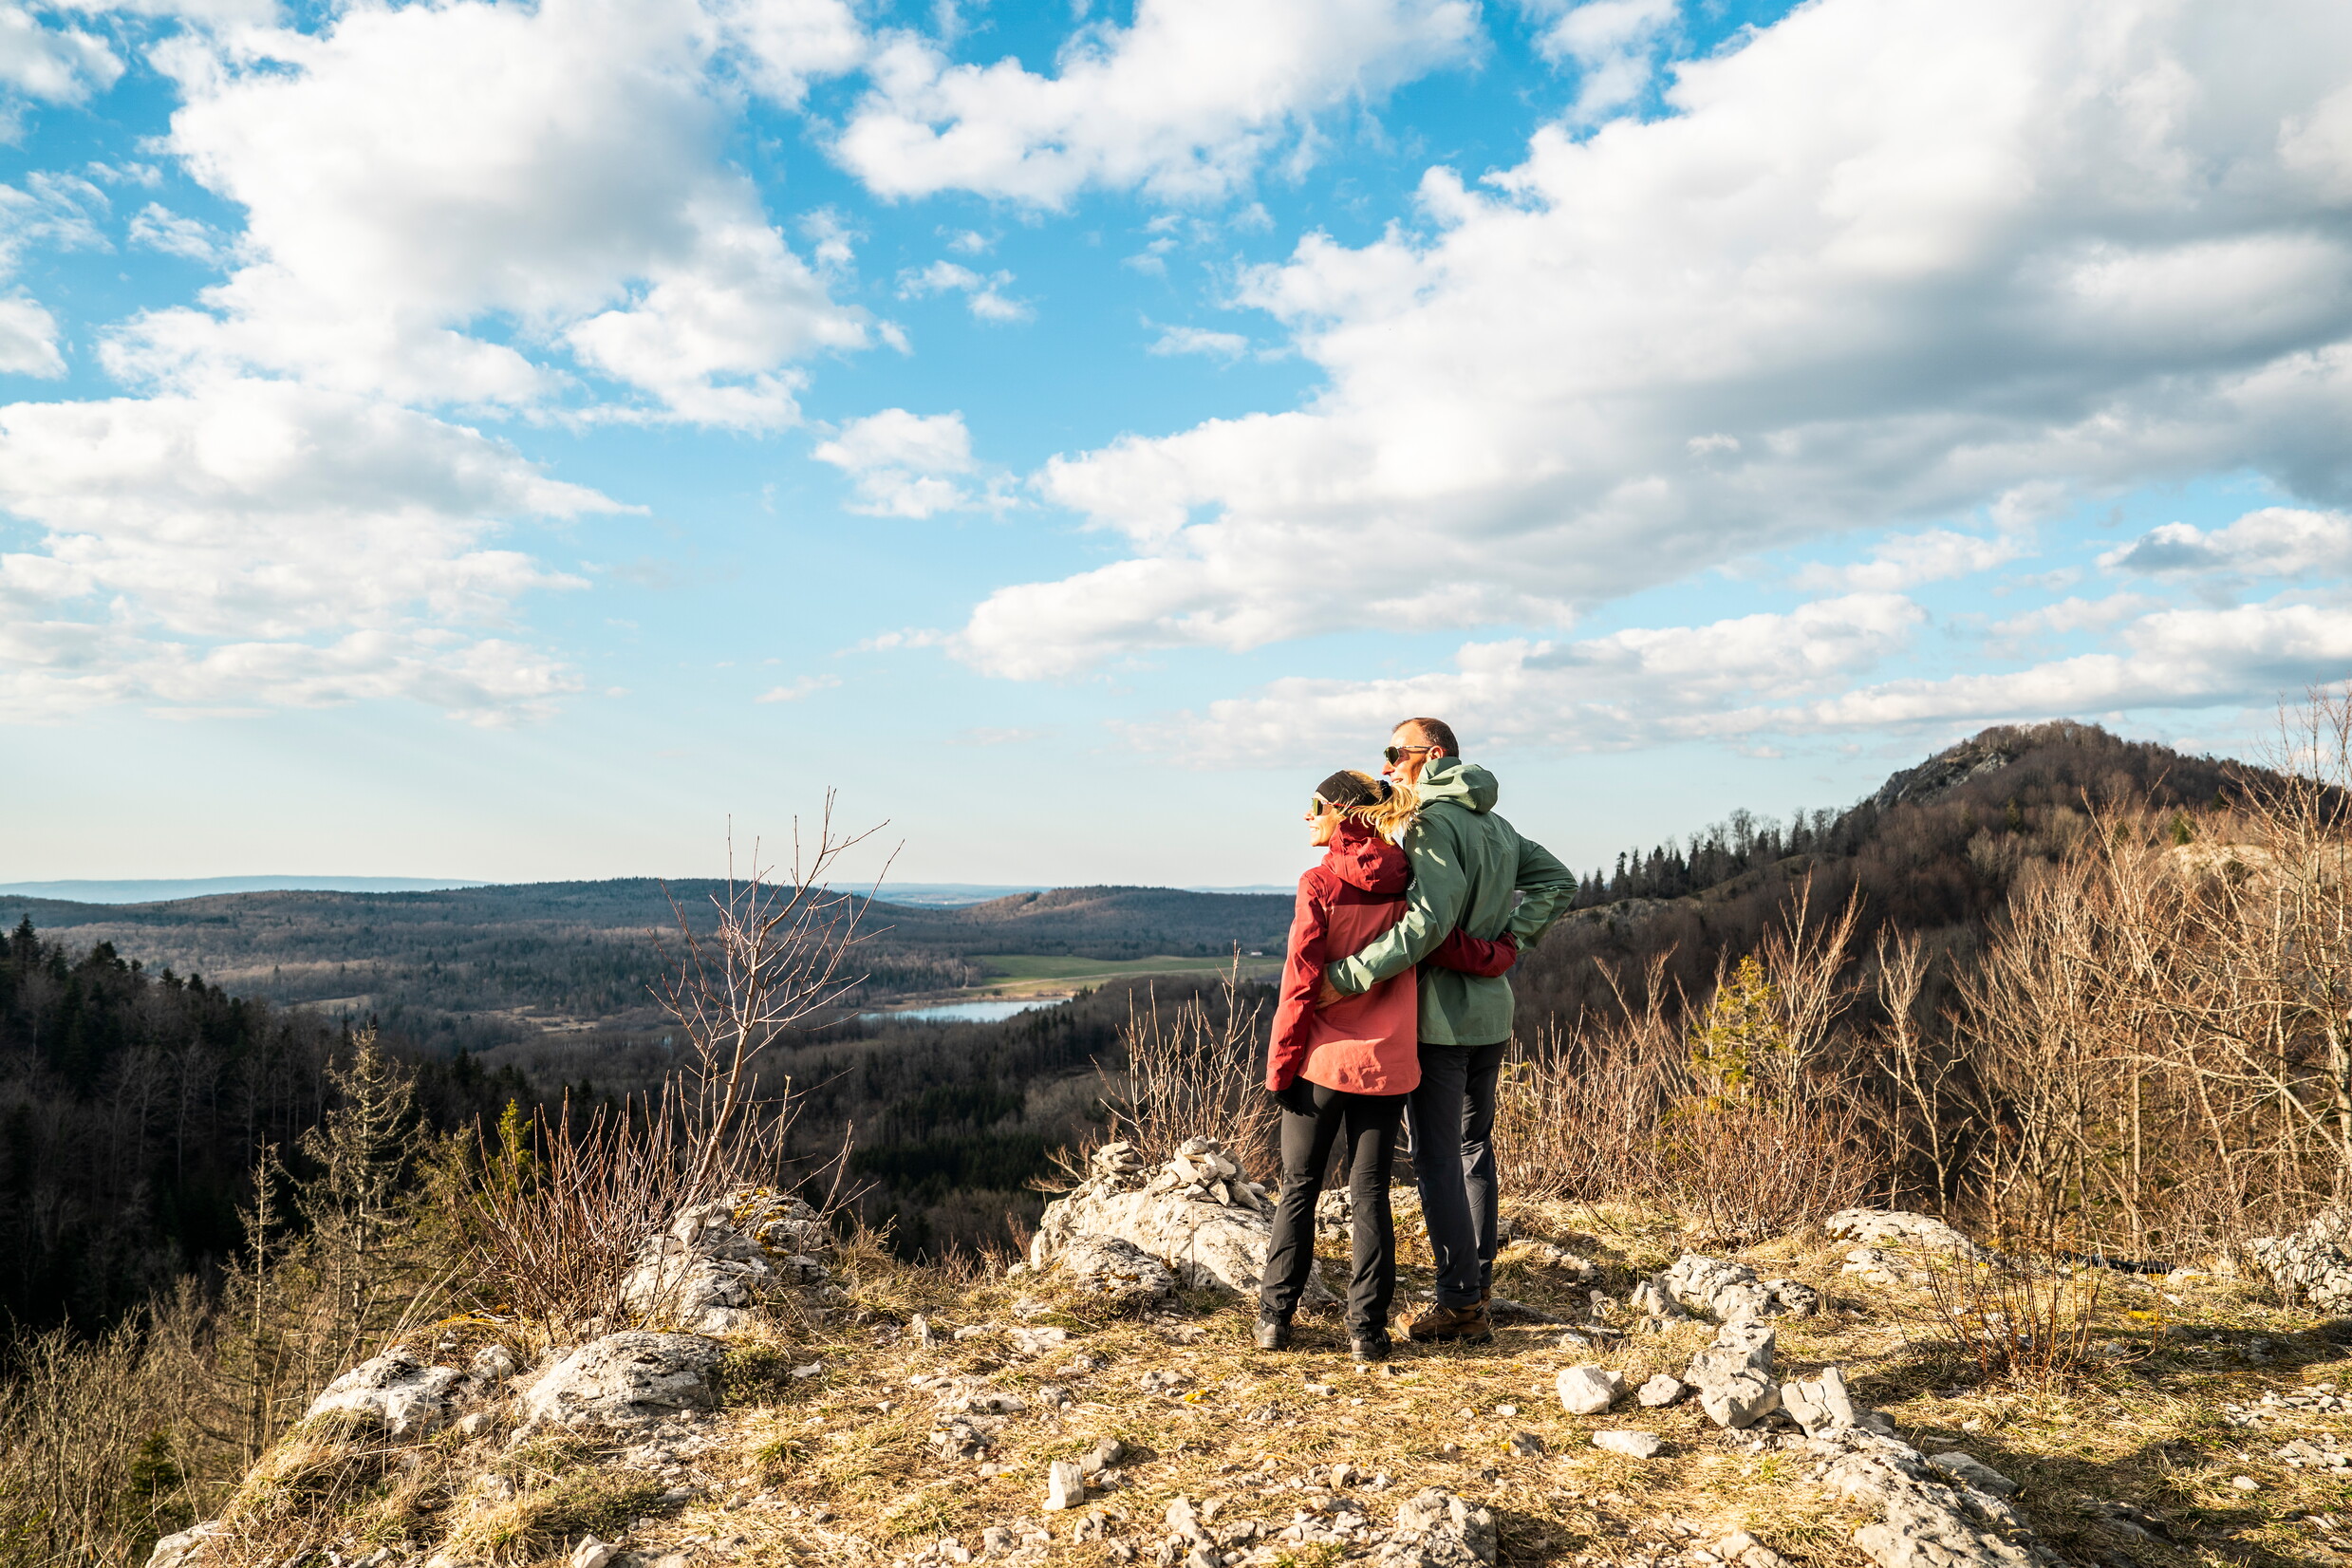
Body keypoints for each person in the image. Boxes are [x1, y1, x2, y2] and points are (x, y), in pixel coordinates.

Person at [1317, 719, 1576, 1344]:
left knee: (1437, 1160)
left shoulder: (1430, 823)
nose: (1386, 767)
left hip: (1438, 1018)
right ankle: (1475, 1287)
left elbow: (1428, 924)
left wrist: (1349, 975)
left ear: (1432, 755)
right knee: (1472, 1148)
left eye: (1394, 753)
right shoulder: (1495, 824)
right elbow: (1559, 881)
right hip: (1490, 1013)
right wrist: (1510, 941)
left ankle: (1460, 1305)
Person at [1258, 768, 1519, 1361]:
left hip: (1321, 1063)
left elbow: (1300, 983)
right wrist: (1501, 952)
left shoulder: (1318, 882)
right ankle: (1367, 1333)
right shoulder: (1409, 884)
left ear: (1343, 814)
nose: (1307, 815)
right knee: (1370, 1193)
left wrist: (1280, 1066)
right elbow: (1442, 942)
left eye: (1315, 804)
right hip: (1388, 1065)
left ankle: (1275, 1319)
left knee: (1299, 1188)